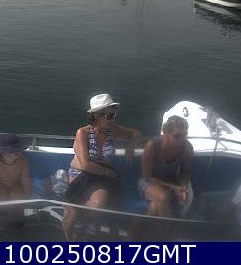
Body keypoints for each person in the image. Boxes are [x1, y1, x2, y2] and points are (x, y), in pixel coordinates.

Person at [62, 93, 140, 240]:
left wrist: (131, 147)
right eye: (109, 116)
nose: (113, 120)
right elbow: (85, 165)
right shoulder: (83, 133)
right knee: (82, 209)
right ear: (97, 116)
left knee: (99, 204)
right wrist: (107, 172)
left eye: (114, 115)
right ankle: (76, 226)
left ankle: (82, 221)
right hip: (81, 175)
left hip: (100, 177)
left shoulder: (113, 130)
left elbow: (135, 134)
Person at [138, 115, 194, 218]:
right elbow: (147, 177)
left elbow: (185, 171)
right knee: (163, 198)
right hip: (149, 181)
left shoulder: (187, 148)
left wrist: (183, 187)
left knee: (153, 207)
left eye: (184, 135)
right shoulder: (152, 146)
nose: (181, 140)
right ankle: (169, 227)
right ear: (165, 133)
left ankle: (148, 227)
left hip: (171, 180)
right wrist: (174, 188)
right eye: (177, 136)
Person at [0, 133, 31, 201]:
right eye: (13, 150)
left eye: (18, 149)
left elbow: (25, 180)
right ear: (2, 153)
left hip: (16, 184)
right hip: (1, 185)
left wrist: (28, 197)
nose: (17, 151)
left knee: (19, 201)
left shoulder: (22, 161)